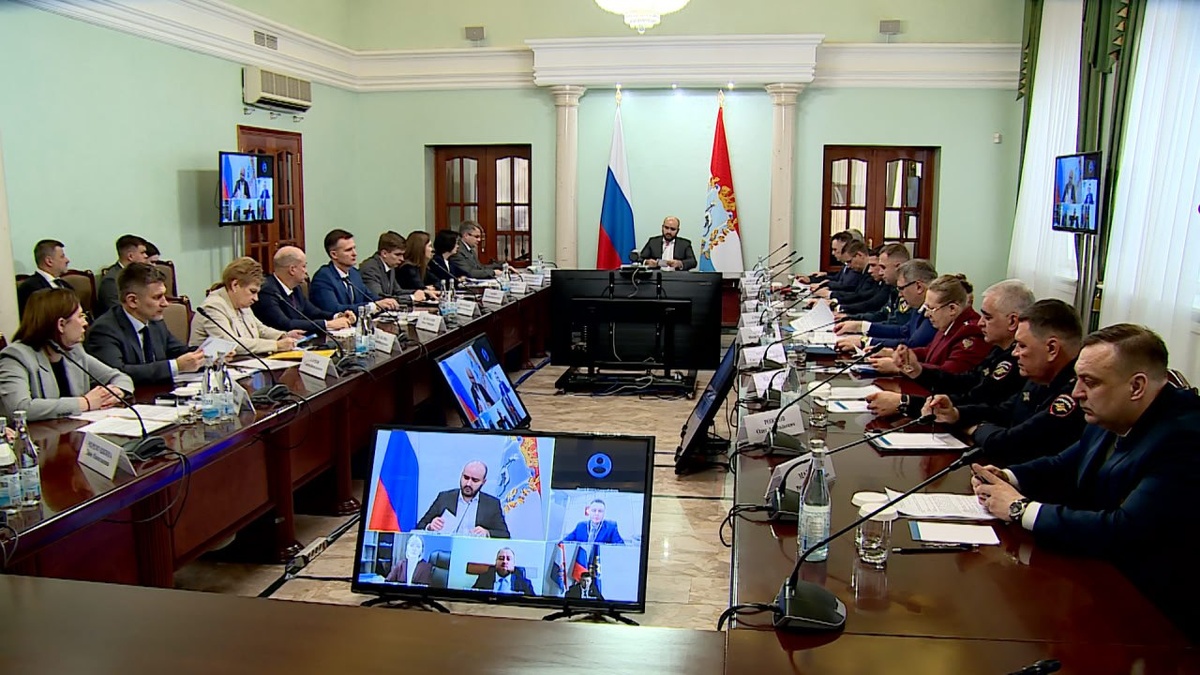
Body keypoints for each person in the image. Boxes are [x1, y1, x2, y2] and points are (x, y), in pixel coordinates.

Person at [970, 324, 1200, 640]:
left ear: (1136, 387)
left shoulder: (1185, 438)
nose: (1076, 392)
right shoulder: (1113, 412)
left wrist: (1020, 509)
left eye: (1090, 382)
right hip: (1101, 578)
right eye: (1078, 379)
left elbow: (1124, 530)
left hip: (1157, 616)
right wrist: (1007, 476)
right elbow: (1064, 463)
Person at [924, 299, 1086, 465]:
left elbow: (1011, 444)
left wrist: (976, 429)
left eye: (1022, 346)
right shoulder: (1040, 377)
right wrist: (956, 414)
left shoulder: (1077, 393)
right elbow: (1002, 412)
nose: (1015, 353)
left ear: (1051, 348)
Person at [868, 279, 1034, 418]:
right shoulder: (998, 349)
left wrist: (905, 402)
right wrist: (916, 370)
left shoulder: (1015, 358)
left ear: (1012, 321)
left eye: (988, 317)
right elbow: (966, 381)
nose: (981, 322)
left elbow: (976, 398)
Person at [0, 288, 133, 421]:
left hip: (74, 429)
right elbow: (20, 408)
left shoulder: (74, 351)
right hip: (39, 433)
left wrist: (116, 392)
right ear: (61, 324)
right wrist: (85, 402)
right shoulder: (16, 356)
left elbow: (119, 377)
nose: (85, 323)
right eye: (80, 316)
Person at [85, 263, 206, 385]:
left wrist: (208, 354)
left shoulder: (155, 322)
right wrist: (175, 366)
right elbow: (117, 374)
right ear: (132, 301)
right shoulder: (104, 330)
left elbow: (178, 350)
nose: (165, 303)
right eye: (157, 297)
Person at [868, 275, 989, 376]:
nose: (926, 314)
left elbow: (949, 374)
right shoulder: (949, 323)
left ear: (952, 308)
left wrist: (901, 367)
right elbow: (929, 351)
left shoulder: (971, 331)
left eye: (931, 309)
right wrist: (895, 353)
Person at [189, 257, 304, 355]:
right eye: (252, 291)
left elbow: (259, 329)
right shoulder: (213, 307)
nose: (256, 298)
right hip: (209, 370)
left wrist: (283, 336)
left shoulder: (241, 303)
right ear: (235, 285)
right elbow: (230, 343)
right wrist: (276, 345)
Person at [836, 259, 937, 352]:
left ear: (919, 287)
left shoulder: (934, 311)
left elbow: (913, 344)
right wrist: (860, 326)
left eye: (901, 289)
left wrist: (865, 341)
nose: (900, 295)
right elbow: (903, 331)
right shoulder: (918, 305)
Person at [253, 246, 355, 333]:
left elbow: (314, 312)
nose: (306, 271)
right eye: (304, 266)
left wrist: (337, 316)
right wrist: (328, 324)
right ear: (292, 269)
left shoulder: (296, 288)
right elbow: (285, 324)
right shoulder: (267, 291)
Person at [309, 229, 403, 316]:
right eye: (348, 250)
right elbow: (334, 309)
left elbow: (370, 297)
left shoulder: (354, 273)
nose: (354, 253)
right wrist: (373, 306)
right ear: (334, 254)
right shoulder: (323, 277)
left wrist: (385, 302)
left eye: (354, 248)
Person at [415, 460, 510, 538]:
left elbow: (504, 534)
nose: (468, 483)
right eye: (466, 477)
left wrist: (487, 533)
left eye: (475, 480)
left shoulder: (492, 505)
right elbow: (419, 526)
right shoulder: (444, 498)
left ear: (483, 482)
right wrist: (430, 527)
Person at [836, 243, 911, 326]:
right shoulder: (894, 289)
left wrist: (861, 327)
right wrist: (851, 317)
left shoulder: (909, 292)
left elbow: (896, 327)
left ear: (899, 267)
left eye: (883, 267)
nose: (880, 273)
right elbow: (882, 314)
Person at [358, 232, 428, 303]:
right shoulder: (370, 269)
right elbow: (379, 298)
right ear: (384, 253)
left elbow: (397, 292)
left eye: (403, 254)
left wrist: (418, 292)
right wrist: (412, 297)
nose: (402, 259)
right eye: (398, 254)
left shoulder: (390, 266)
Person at [17, 239, 73, 317]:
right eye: (62, 256)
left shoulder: (65, 285)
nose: (67, 260)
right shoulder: (30, 288)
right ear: (49, 261)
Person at [96, 234, 149, 315]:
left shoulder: (139, 274)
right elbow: (117, 311)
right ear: (130, 256)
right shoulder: (111, 280)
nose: (146, 256)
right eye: (142, 253)